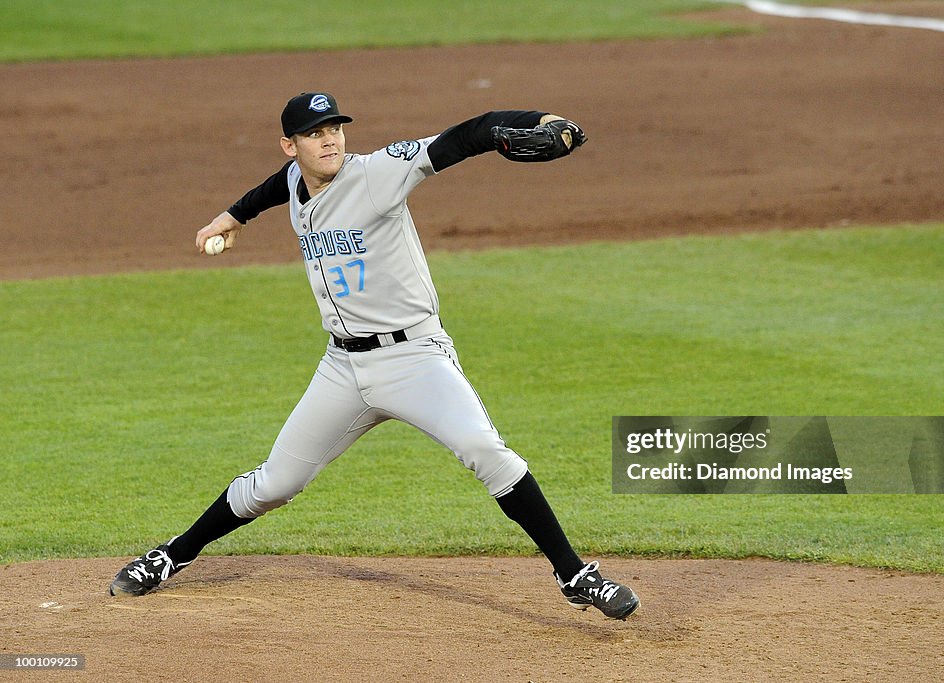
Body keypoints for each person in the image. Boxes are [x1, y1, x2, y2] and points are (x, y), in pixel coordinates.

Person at [108, 92, 640, 620]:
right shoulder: (297, 178)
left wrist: (538, 121)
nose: (330, 140)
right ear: (289, 146)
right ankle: (170, 556)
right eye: (315, 134)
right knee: (275, 484)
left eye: (335, 128)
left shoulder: (378, 173)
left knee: (484, 448)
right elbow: (278, 187)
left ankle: (573, 574)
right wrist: (233, 216)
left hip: (414, 359)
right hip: (341, 368)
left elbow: (468, 134)